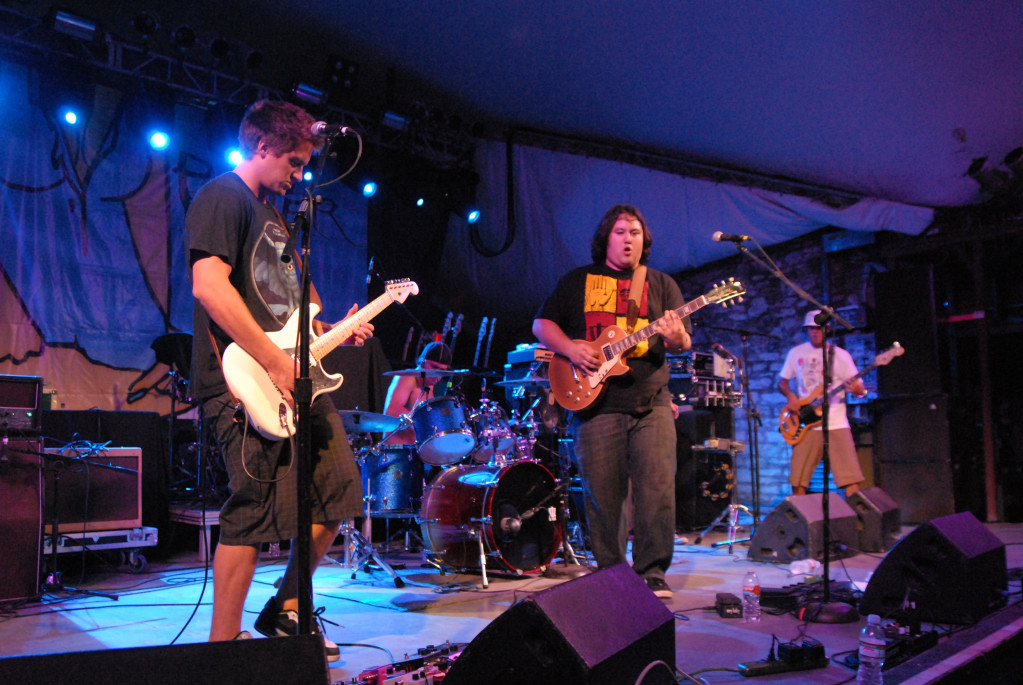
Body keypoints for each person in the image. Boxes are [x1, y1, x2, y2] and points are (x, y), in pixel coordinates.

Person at [186, 99, 373, 655]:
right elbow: (209, 286)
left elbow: (293, 307)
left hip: (295, 378)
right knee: (251, 510)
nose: (299, 175)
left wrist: (331, 330)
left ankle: (288, 609)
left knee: (339, 494)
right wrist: (272, 361)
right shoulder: (223, 196)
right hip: (244, 378)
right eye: (293, 162)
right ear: (262, 146)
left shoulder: (276, 216)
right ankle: (223, 646)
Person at [532, 204, 691, 599]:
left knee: (657, 491)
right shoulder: (578, 281)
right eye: (621, 232)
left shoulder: (661, 284)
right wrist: (571, 348)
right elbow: (541, 324)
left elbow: (683, 342)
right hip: (594, 404)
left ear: (644, 240)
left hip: (652, 401)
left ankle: (652, 573)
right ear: (606, 238)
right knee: (603, 496)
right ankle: (612, 575)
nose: (628, 239)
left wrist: (675, 337)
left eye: (635, 232)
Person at [778, 310, 867, 498]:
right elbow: (782, 382)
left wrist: (858, 390)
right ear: (806, 330)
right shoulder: (796, 353)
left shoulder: (840, 355)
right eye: (811, 328)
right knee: (798, 479)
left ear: (827, 329)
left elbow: (860, 390)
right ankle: (801, 515)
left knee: (850, 478)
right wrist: (790, 396)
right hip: (806, 424)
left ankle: (855, 514)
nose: (815, 332)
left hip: (836, 423)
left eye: (818, 328)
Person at [382, 341, 454, 445]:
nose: (437, 374)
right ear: (422, 362)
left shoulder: (429, 385)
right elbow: (392, 410)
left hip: (416, 450)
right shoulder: (406, 378)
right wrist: (426, 422)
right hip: (397, 450)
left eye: (442, 370)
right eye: (434, 367)